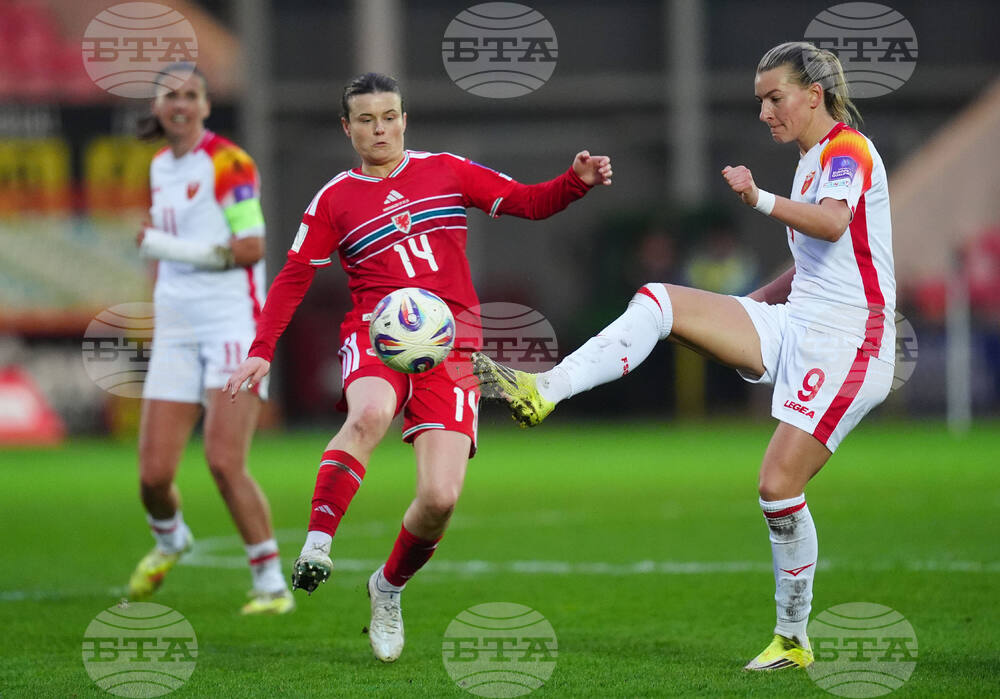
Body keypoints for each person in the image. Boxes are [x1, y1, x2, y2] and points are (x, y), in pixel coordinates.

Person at [475, 41, 895, 671]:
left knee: (777, 487)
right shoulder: (811, 158)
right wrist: (747, 306)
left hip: (851, 341)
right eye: (760, 101)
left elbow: (833, 225)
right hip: (798, 323)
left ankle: (792, 639)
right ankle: (544, 390)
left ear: (814, 95)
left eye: (774, 99)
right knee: (660, 300)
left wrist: (757, 200)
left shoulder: (846, 150)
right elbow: (818, 261)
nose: (764, 113)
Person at [224, 73, 612, 662]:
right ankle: (318, 543)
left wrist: (575, 183)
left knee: (439, 499)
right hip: (375, 333)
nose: (380, 129)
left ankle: (387, 588)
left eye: (389, 116)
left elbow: (529, 202)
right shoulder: (333, 198)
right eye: (366, 120)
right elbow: (294, 275)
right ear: (346, 127)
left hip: (453, 344)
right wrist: (261, 347)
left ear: (404, 118)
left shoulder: (447, 170)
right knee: (371, 411)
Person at [127, 64, 293, 615]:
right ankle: (172, 540)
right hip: (177, 329)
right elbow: (169, 251)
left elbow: (250, 247)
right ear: (157, 107)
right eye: (170, 95)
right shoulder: (159, 166)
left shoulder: (228, 161)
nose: (181, 104)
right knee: (153, 477)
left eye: (191, 95)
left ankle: (270, 584)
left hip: (230, 325)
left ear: (204, 105)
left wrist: (163, 248)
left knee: (224, 461)